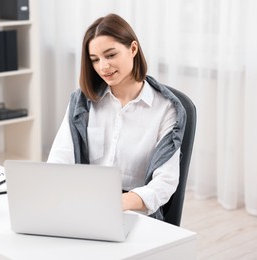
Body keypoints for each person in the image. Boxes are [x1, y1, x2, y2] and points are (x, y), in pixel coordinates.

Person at [47, 13, 186, 221]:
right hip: (84, 206)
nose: (103, 67)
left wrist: (117, 203)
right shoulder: (82, 102)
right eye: (95, 60)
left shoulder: (166, 108)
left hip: (136, 213)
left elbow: (165, 182)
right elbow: (59, 159)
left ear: (133, 49)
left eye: (110, 55)